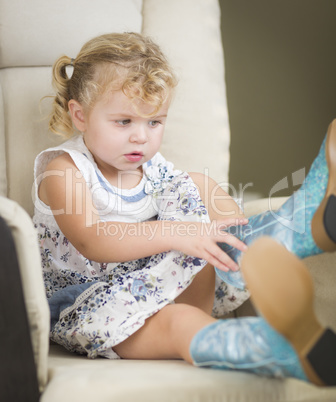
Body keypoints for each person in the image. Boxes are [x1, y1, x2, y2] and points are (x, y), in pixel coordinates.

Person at [33, 32, 336, 386]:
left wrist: (203, 229)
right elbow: (92, 239)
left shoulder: (154, 167)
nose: (141, 137)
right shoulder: (64, 170)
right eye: (124, 122)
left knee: (197, 183)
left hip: (169, 281)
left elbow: (195, 214)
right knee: (179, 324)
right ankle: (285, 349)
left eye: (154, 122)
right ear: (80, 115)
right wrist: (179, 233)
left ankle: (294, 228)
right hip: (94, 306)